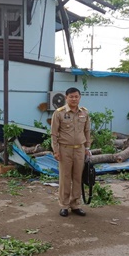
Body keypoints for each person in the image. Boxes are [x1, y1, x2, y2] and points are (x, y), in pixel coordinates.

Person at [50, 87, 91, 217]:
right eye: (71, 96)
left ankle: (75, 205)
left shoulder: (84, 112)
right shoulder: (59, 113)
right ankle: (64, 205)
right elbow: (54, 134)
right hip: (64, 149)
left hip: (80, 149)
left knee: (78, 177)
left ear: (80, 97)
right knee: (65, 178)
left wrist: (87, 148)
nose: (74, 99)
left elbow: (87, 131)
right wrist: (56, 151)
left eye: (76, 96)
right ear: (66, 97)